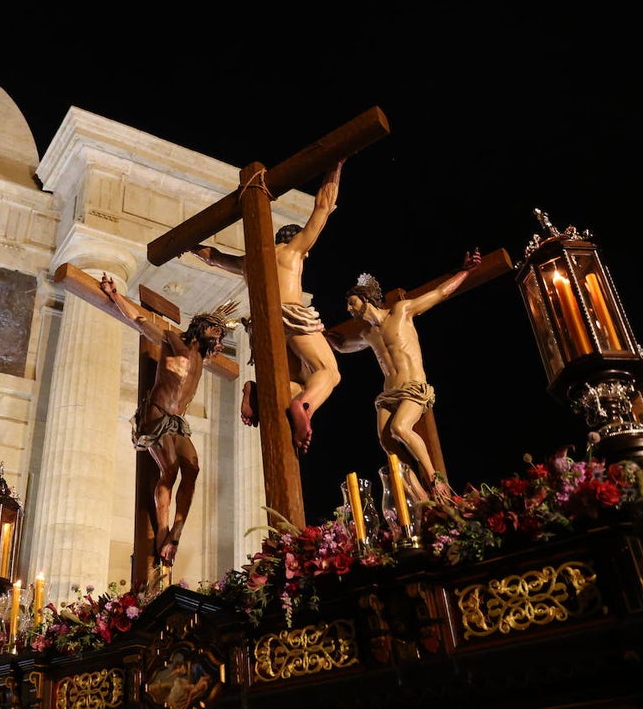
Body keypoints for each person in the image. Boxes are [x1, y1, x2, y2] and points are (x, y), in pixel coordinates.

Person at [190, 159, 345, 454]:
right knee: (329, 372)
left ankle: (261, 393)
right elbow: (323, 207)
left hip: (264, 326)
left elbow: (213, 257)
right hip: (292, 316)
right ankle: (305, 407)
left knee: (295, 381)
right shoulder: (294, 250)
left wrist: (189, 246)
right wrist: (335, 166)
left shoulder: (249, 261)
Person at [100, 273, 236, 567]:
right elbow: (140, 320)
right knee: (170, 468)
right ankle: (162, 530)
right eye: (215, 329)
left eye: (221, 333)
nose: (219, 335)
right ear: (201, 326)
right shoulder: (175, 342)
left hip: (178, 422)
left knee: (193, 468)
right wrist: (114, 295)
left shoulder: (203, 358)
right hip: (157, 416)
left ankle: (176, 530)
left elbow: (226, 359)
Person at [327, 250, 482, 502]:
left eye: (352, 302)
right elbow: (344, 346)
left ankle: (434, 479)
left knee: (400, 427)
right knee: (387, 443)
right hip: (388, 393)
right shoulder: (368, 335)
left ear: (366, 299)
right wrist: (322, 335)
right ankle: (418, 492)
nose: (348, 308)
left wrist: (465, 271)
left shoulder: (400, 311)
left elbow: (439, 294)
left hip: (413, 387)